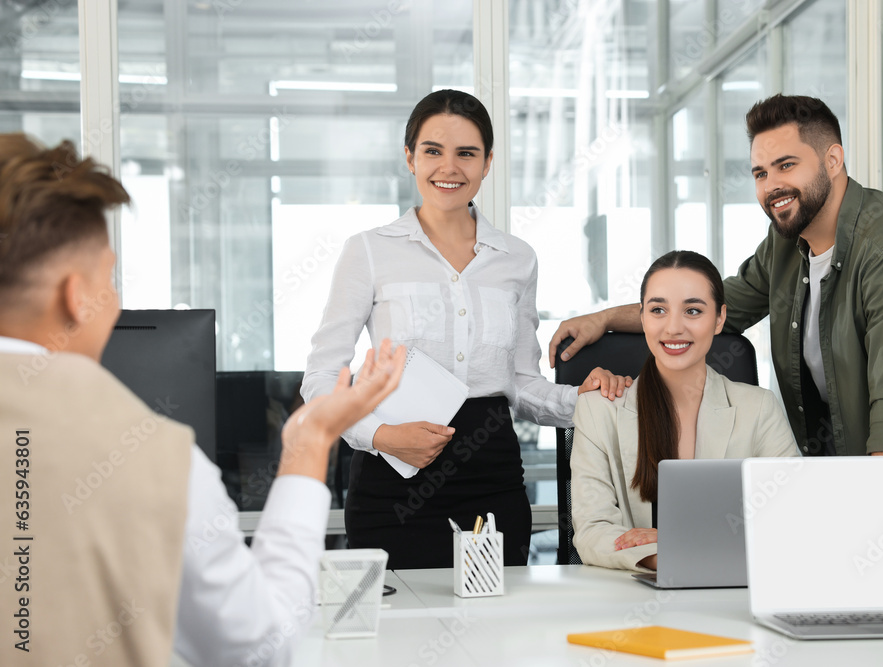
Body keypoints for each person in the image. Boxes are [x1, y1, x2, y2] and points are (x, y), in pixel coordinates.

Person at [0, 133, 407, 666]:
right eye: (110, 279)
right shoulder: (153, 458)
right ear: (77, 295)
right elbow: (257, 646)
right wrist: (310, 443)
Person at [550, 94, 883, 543]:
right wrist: (606, 318)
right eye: (760, 173)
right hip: (841, 480)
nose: (771, 185)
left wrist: (876, 532)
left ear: (833, 159)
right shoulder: (787, 241)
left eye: (786, 165)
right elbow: (719, 308)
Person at [301, 89, 629, 570]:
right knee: (399, 636)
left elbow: (519, 383)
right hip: (393, 480)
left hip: (491, 477)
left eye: (466, 153)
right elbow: (321, 378)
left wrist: (591, 402)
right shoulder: (369, 251)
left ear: (488, 162)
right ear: (409, 157)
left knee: (495, 632)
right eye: (432, 151)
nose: (448, 168)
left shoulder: (517, 259)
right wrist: (380, 435)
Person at [571, 251, 798, 572]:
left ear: (719, 318)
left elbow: (790, 517)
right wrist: (665, 556)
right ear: (643, 318)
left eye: (693, 310)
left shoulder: (759, 408)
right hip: (635, 591)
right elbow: (593, 530)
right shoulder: (598, 409)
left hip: (731, 595)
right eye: (658, 310)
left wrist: (682, 544)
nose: (674, 327)